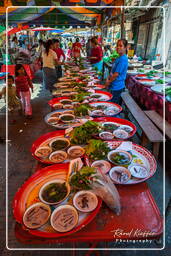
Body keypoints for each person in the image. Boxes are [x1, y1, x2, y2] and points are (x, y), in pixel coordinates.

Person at [105, 39, 128, 105]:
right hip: (113, 86)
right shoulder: (119, 57)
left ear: (125, 48)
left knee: (113, 106)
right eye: (117, 45)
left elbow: (116, 74)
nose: (118, 47)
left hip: (117, 87)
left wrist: (108, 82)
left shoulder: (123, 59)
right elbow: (113, 71)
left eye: (121, 46)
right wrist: (108, 79)